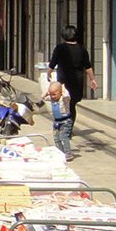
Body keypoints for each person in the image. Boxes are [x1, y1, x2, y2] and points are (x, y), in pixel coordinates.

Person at [47, 24, 96, 155]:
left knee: (62, 104)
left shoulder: (60, 48)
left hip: (62, 83)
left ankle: (63, 128)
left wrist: (48, 74)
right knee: (72, 105)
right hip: (77, 81)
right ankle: (69, 129)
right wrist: (92, 79)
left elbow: (52, 63)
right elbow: (88, 66)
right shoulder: (82, 49)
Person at [46, 80, 74, 156]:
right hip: (56, 122)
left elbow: (67, 95)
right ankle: (60, 152)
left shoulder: (64, 99)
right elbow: (43, 97)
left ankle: (68, 153)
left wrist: (63, 88)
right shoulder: (52, 99)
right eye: (51, 94)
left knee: (64, 137)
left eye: (54, 94)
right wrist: (47, 92)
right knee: (56, 138)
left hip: (65, 121)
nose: (52, 96)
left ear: (60, 93)